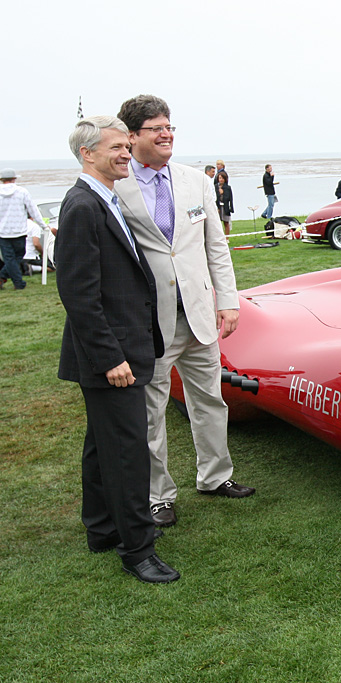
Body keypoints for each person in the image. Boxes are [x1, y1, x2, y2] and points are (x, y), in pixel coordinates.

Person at [113, 95, 254, 529]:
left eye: (169, 125)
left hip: (199, 312)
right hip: (148, 321)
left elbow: (216, 246)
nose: (166, 132)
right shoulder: (115, 186)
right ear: (132, 136)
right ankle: (158, 496)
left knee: (210, 398)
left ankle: (215, 476)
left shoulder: (196, 181)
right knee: (152, 409)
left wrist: (228, 301)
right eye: (155, 127)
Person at [57, 115, 178, 583]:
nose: (127, 153)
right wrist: (111, 359)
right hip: (113, 356)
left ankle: (103, 529)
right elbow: (80, 296)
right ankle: (137, 548)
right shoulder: (83, 206)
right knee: (128, 451)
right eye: (117, 148)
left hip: (124, 348)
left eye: (128, 147)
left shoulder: (103, 199)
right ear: (88, 154)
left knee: (101, 446)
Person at [0, 168, 49, 290]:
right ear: (14, 179)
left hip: (3, 231)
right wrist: (43, 225)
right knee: (18, 257)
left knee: (9, 258)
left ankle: (2, 277)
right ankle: (18, 283)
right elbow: (33, 210)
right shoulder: (22, 192)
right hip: (20, 230)